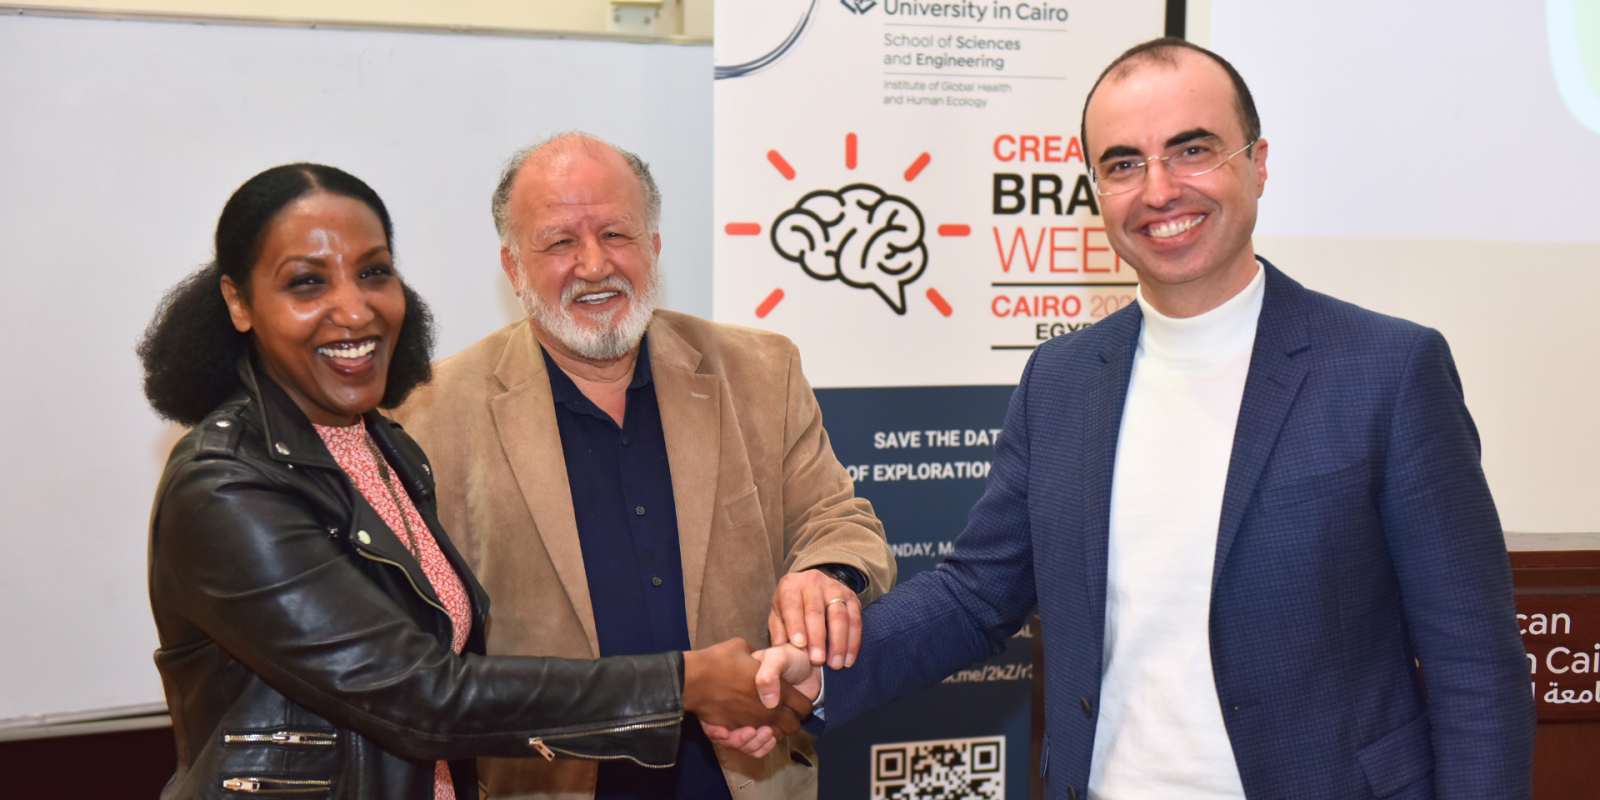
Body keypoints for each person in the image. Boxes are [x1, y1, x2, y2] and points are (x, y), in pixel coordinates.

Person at [752, 38, 1536, 800]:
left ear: (1257, 165)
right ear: (1096, 191)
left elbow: (1475, 667)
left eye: (1193, 151)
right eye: (1124, 164)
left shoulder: (1387, 371)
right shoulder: (1059, 378)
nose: (1159, 190)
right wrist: (823, 672)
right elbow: (976, 596)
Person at [138, 163, 814, 800]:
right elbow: (420, 697)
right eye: (307, 282)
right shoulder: (224, 485)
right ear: (239, 301)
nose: (353, 309)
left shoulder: (381, 446)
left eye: (373, 272)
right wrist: (686, 683)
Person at [391, 133, 895, 800]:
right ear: (513, 268)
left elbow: (838, 516)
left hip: (746, 775)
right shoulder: (424, 413)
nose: (595, 265)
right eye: (560, 242)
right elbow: (412, 647)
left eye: (616, 234)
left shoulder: (762, 371)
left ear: (654, 246)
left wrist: (824, 573)